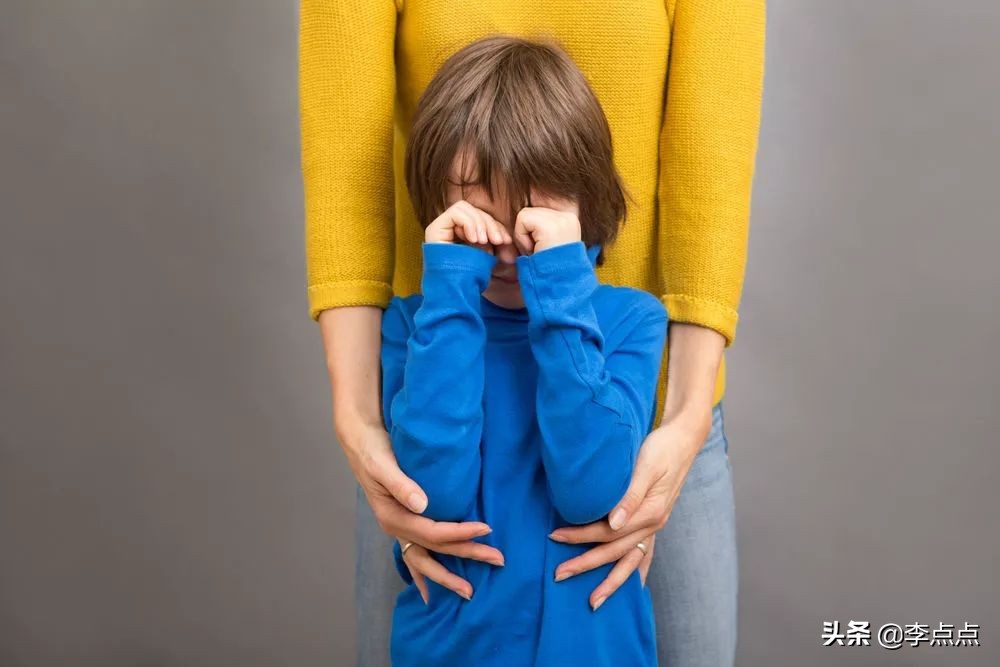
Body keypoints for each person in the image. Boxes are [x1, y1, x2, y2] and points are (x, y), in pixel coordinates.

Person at [298, 1, 765, 665]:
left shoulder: (631, 324)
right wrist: (358, 416)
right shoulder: (417, 339)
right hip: (435, 359)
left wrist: (684, 415)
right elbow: (344, 155)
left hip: (644, 400)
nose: (510, 235)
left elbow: (711, 155)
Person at [382, 36, 667, 665]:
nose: (509, 245)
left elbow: (593, 489)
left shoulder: (631, 321)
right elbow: (434, 495)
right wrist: (453, 282)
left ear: (584, 202)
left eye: (534, 215)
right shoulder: (414, 325)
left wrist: (560, 284)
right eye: (481, 216)